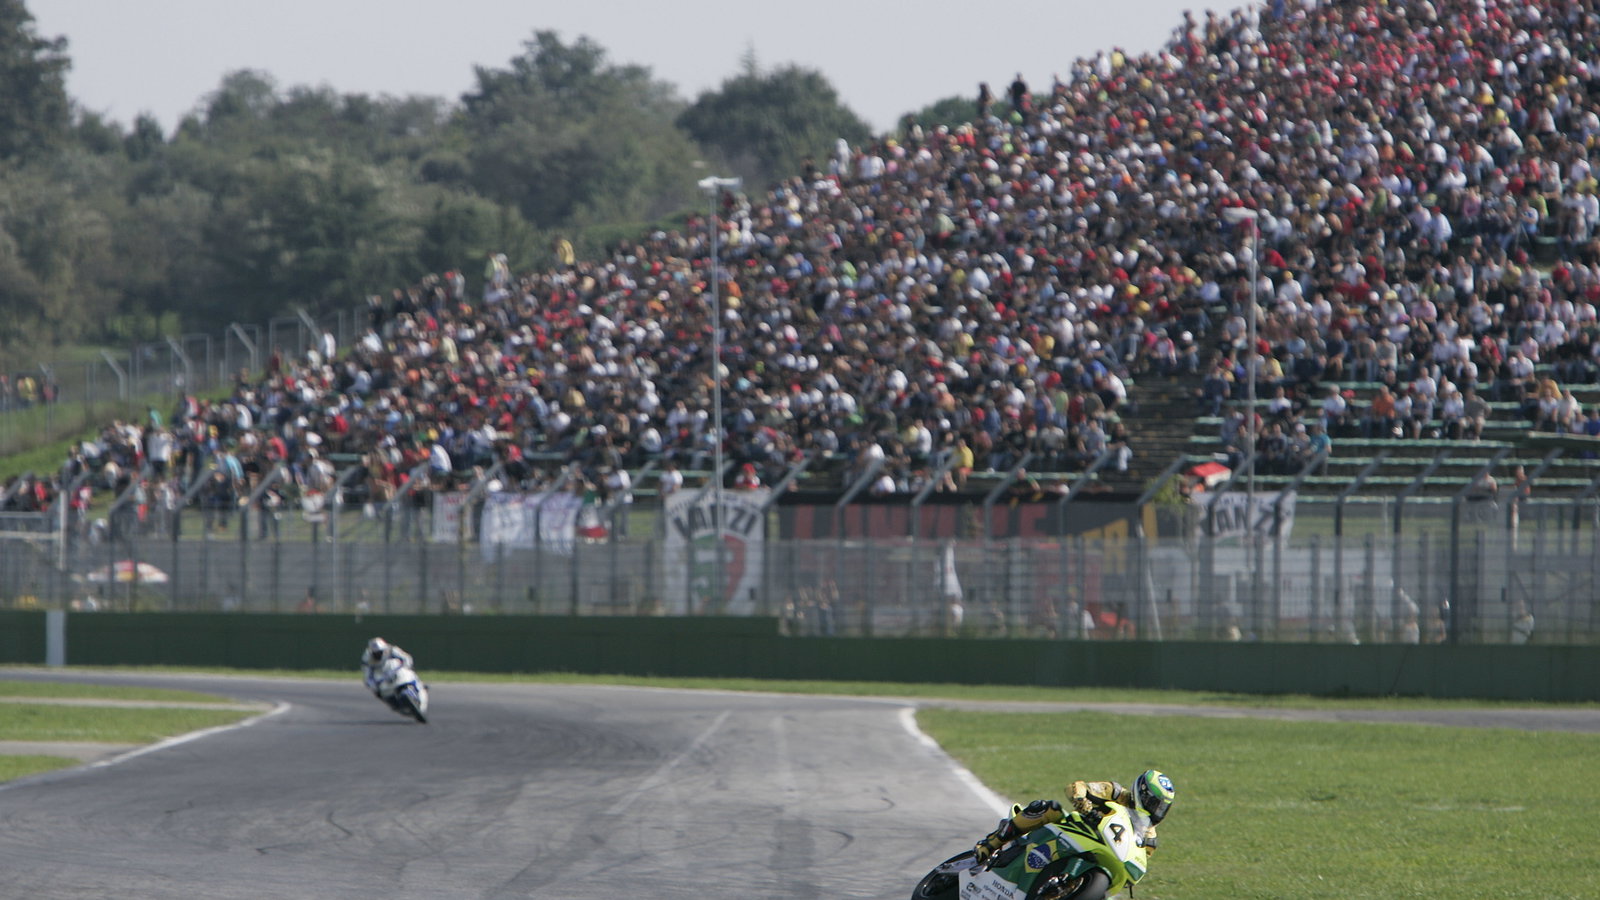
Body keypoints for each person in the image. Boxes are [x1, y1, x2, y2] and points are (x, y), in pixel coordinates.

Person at [974, 769, 1175, 863]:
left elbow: (1138, 863)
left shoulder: (1150, 839)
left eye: (1161, 807)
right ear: (1142, 793)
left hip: (1101, 856)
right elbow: (1076, 787)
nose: (1156, 810)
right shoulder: (1115, 793)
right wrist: (1084, 804)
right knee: (1048, 808)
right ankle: (990, 844)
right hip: (1076, 830)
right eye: (1154, 803)